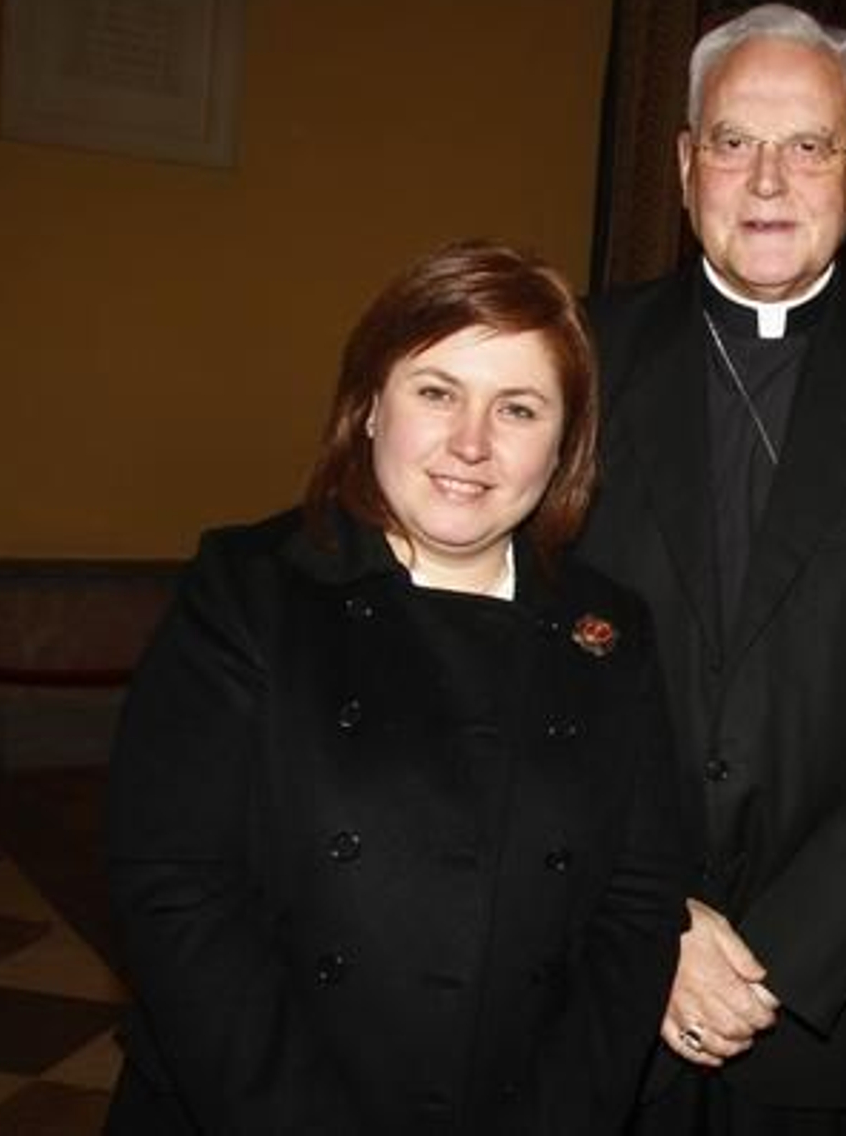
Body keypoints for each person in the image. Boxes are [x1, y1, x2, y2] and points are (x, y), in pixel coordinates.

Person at [105, 241, 685, 1134]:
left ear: (565, 445)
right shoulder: (250, 589)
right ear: (370, 406)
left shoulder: (609, 633)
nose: (471, 443)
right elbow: (176, 887)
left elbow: (636, 909)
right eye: (437, 391)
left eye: (519, 408)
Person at [577, 3, 846, 1133]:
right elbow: (519, 656)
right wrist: (645, 913)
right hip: (592, 968)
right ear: (684, 165)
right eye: (732, 141)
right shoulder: (574, 359)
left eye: (808, 145)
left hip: (827, 1010)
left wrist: (776, 954)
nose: (766, 178)